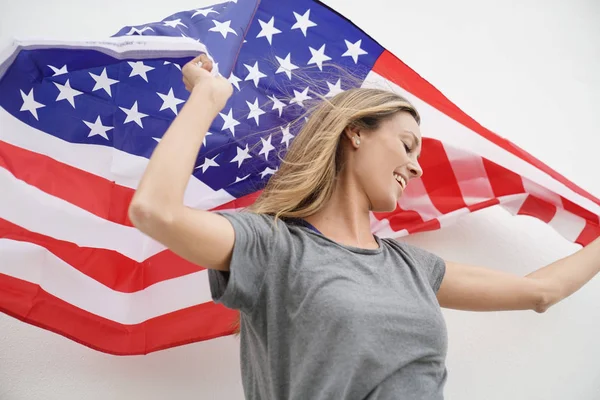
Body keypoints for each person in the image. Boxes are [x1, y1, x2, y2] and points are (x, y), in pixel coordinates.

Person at [128, 54, 600, 400]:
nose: (416, 168)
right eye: (407, 145)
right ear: (356, 131)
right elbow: (155, 211)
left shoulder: (414, 268)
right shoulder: (273, 247)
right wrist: (207, 99)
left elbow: (541, 291)